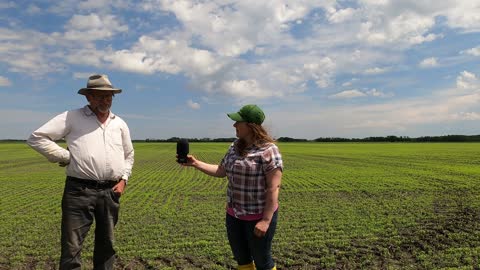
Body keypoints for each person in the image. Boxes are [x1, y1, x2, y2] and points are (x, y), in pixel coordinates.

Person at [27, 74, 134, 270]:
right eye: (100, 96)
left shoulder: (119, 123)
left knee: (107, 245)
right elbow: (37, 137)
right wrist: (65, 156)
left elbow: (129, 155)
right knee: (72, 246)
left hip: (111, 192)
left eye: (109, 95)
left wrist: (124, 180)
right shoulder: (71, 117)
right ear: (88, 97)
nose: (105, 100)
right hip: (79, 191)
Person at [182, 104, 283, 270]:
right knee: (242, 260)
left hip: (258, 217)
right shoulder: (235, 146)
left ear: (251, 125)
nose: (234, 125)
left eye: (238, 122)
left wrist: (265, 220)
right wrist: (195, 163)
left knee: (262, 261)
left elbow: (273, 188)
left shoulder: (269, 151)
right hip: (234, 216)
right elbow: (222, 171)